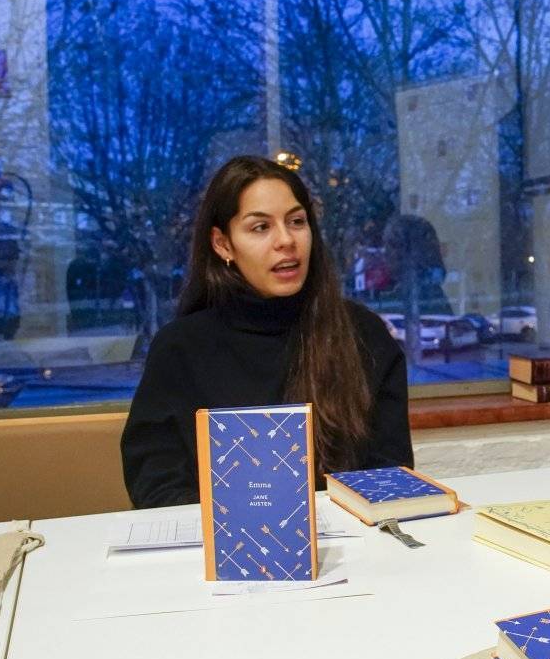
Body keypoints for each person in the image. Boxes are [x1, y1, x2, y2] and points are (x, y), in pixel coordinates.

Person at [122, 156, 413, 508]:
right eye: (261, 227)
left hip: (349, 535)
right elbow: (156, 484)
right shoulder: (179, 348)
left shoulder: (363, 335)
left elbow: (390, 473)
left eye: (296, 222)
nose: (286, 240)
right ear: (223, 244)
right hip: (216, 538)